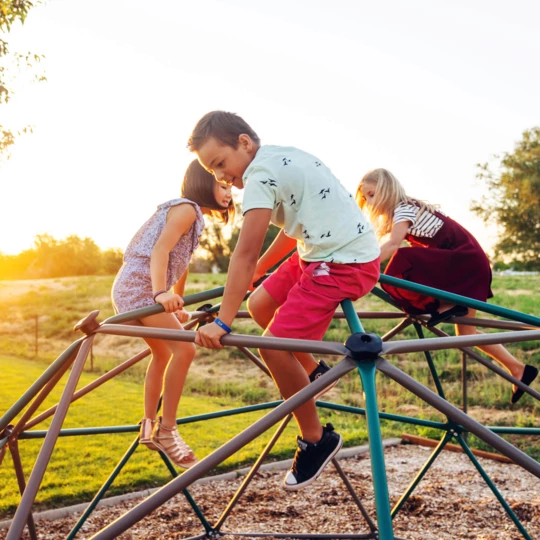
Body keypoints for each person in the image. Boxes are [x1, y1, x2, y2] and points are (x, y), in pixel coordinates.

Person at [188, 111, 380, 490]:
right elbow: (296, 229)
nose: (221, 176)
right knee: (260, 305)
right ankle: (313, 373)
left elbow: (241, 254)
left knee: (274, 349)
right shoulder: (280, 156)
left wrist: (223, 322)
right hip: (321, 249)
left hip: (343, 263)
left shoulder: (259, 176)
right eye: (212, 171)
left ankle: (315, 438)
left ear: (244, 142)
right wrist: (260, 270)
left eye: (220, 163)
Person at [356, 168, 538, 404]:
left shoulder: (404, 208)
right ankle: (519, 369)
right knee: (466, 333)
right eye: (366, 198)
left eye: (372, 195)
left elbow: (392, 244)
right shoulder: (408, 209)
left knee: (402, 259)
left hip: (463, 262)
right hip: (468, 263)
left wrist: (362, 267)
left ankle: (440, 303)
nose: (370, 203)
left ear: (386, 189)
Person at [112, 159, 233, 467]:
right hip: (140, 289)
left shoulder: (194, 216)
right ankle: (168, 429)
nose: (229, 192)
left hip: (136, 288)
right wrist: (159, 294)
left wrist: (176, 301)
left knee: (163, 355)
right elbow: (161, 250)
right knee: (185, 350)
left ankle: (149, 426)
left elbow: (181, 261)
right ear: (203, 182)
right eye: (223, 184)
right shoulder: (187, 208)